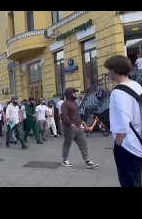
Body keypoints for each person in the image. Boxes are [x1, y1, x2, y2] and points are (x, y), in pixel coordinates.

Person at [104, 54, 142, 187]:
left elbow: (122, 123)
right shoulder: (136, 85)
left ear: (115, 70)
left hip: (127, 144)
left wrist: (118, 143)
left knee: (128, 182)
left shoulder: (118, 92)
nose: (108, 73)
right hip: (139, 141)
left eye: (109, 69)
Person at [61, 87, 99, 169]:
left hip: (78, 127)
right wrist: (70, 124)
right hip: (69, 128)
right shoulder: (65, 104)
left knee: (83, 143)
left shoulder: (75, 103)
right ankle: (65, 160)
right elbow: (64, 115)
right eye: (73, 93)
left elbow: (76, 116)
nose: (75, 94)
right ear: (69, 94)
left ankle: (87, 160)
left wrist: (82, 125)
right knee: (67, 144)